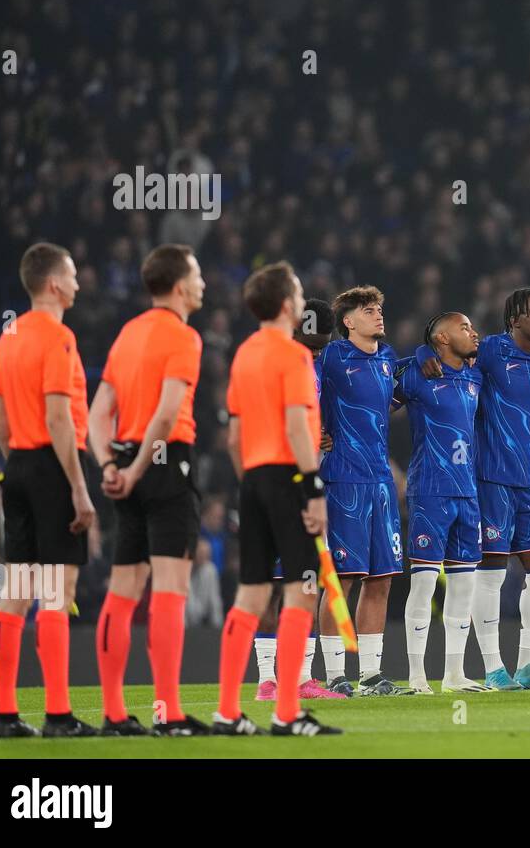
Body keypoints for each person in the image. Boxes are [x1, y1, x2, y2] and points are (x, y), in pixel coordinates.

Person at [416, 288, 530, 690]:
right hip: (488, 477)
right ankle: (492, 667)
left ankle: (529, 666)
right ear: (515, 319)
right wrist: (421, 357)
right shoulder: (489, 351)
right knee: (491, 574)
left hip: (525, 477)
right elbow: (441, 354)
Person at [87, 243, 211, 735]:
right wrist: (138, 469)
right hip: (164, 467)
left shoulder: (128, 334)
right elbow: (166, 412)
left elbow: (98, 414)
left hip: (125, 462)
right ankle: (169, 713)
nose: (202, 282)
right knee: (169, 592)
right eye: (197, 273)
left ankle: (115, 714)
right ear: (180, 285)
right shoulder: (183, 337)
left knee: (122, 594)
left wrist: (110, 467)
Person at [214, 262, 339, 735]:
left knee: (249, 594)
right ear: (288, 304)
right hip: (290, 478)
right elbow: (295, 424)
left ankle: (227, 711)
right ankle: (287, 712)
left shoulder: (244, 353)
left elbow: (233, 437)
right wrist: (311, 488)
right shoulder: (293, 356)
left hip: (252, 480)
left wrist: (253, 483)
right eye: (301, 292)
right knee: (302, 590)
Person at [0, 243, 99, 738]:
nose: (77, 282)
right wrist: (77, 488)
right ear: (54, 283)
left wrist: (17, 462)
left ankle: (7, 715)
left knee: (15, 593)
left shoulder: (8, 335)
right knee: (58, 591)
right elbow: (58, 416)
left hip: (16, 465)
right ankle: (57, 714)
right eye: (72, 274)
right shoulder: (58, 337)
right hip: (55, 468)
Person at [315, 286, 410, 696]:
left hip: (381, 482)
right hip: (344, 479)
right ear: (348, 321)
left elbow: (389, 403)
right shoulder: (332, 356)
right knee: (343, 577)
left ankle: (371, 674)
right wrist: (313, 430)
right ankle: (336, 673)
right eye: (369, 310)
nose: (378, 315)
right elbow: (306, 389)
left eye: (380, 309)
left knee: (382, 579)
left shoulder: (389, 359)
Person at [253, 299, 345, 702]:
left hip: (288, 478)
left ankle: (301, 677)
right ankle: (267, 680)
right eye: (315, 345)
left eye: (323, 348)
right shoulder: (277, 361)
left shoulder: (303, 363)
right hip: (279, 481)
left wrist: (316, 437)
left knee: (301, 582)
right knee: (274, 586)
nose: (319, 354)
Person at [397, 312, 488, 693]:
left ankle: (454, 674)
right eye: (465, 327)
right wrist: (419, 354)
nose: (474, 332)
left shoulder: (475, 375)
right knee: (424, 582)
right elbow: (380, 380)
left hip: (467, 491)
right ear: (442, 337)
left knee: (465, 585)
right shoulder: (419, 375)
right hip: (430, 489)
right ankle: (417, 674)